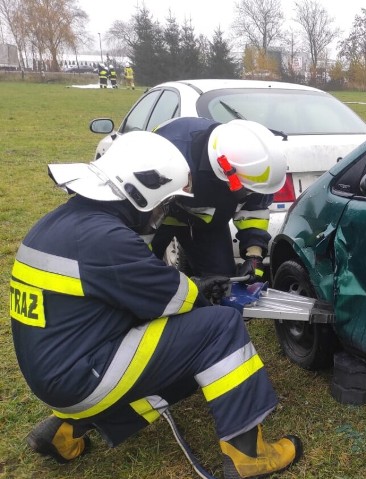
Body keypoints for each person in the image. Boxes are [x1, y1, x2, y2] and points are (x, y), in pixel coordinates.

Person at [11, 131, 303, 478]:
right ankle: (248, 456)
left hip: (61, 368)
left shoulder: (62, 222)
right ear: (141, 192)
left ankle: (66, 432)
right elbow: (173, 299)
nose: (165, 211)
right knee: (220, 327)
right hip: (81, 375)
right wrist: (203, 288)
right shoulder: (108, 240)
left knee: (194, 364)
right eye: (165, 202)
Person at [150, 117, 288, 282]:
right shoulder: (170, 153)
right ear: (225, 170)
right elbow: (139, 218)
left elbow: (253, 211)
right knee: (142, 276)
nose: (250, 194)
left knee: (220, 281)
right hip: (154, 219)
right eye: (247, 190)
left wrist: (254, 256)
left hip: (207, 224)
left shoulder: (257, 171)